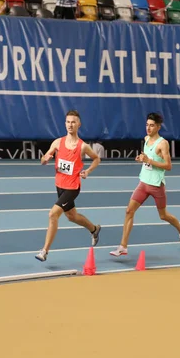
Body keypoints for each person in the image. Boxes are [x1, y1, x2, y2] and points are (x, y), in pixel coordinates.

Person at [110, 113, 180, 257]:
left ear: (158, 127)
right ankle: (123, 246)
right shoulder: (146, 139)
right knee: (129, 211)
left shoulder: (162, 143)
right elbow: (147, 159)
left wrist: (149, 160)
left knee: (163, 215)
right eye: (147, 125)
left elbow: (168, 166)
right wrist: (142, 159)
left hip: (156, 185)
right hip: (143, 182)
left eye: (152, 125)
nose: (148, 128)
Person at [35, 110, 102, 262]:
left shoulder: (83, 146)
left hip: (72, 187)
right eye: (68, 122)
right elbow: (44, 158)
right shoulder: (58, 142)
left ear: (79, 124)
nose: (70, 125)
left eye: (73, 122)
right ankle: (94, 229)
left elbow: (97, 159)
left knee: (53, 214)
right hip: (59, 185)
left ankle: (44, 251)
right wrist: (45, 159)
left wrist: (88, 171)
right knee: (72, 216)